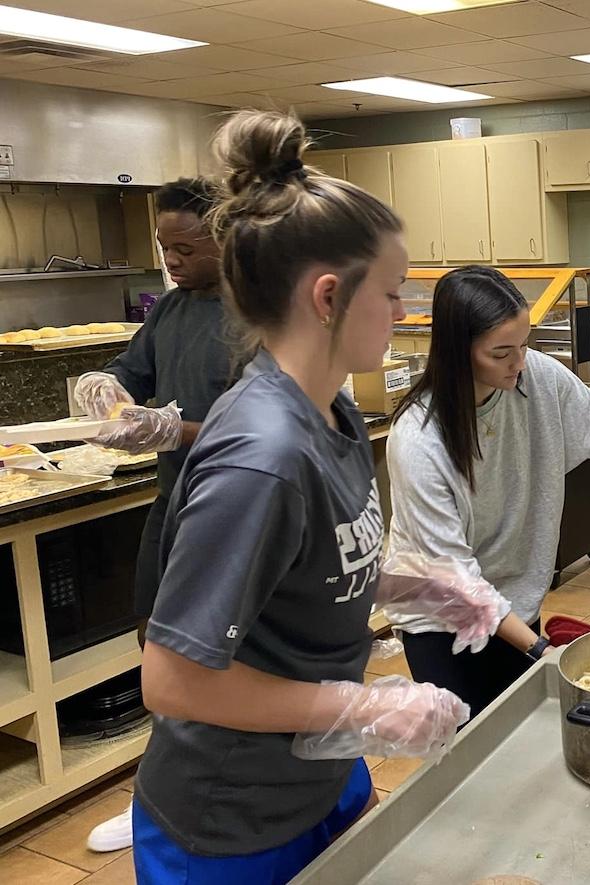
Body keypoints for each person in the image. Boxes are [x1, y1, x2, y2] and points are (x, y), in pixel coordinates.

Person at [129, 109, 490, 884]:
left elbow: (312, 563)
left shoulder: (335, 408)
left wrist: (423, 586)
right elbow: (173, 678)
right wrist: (360, 706)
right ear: (328, 297)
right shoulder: (262, 456)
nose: (402, 312)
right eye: (391, 293)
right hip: (231, 819)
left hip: (318, 775)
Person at [385, 265, 590, 717]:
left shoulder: (536, 379)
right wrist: (540, 651)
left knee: (519, 729)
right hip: (442, 624)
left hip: (512, 604)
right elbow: (457, 583)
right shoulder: (419, 442)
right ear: (458, 353)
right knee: (473, 753)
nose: (519, 363)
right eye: (501, 353)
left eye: (525, 344)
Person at [72, 177, 243, 853]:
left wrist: (175, 432)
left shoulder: (254, 313)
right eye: (163, 246)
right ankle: (162, 789)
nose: (171, 259)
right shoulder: (172, 311)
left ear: (225, 238)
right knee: (157, 645)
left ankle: (221, 787)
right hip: (173, 502)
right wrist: (107, 385)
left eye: (184, 246)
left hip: (237, 509)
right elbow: (132, 373)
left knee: (225, 659)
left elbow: (270, 427)